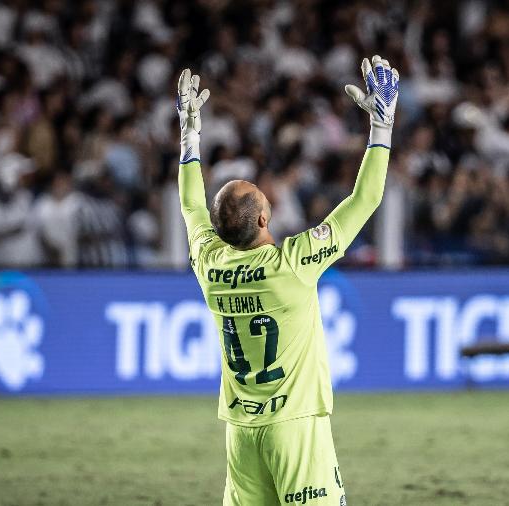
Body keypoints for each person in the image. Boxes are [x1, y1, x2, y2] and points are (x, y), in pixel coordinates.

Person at [175, 55, 398, 505]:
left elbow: (190, 208)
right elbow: (366, 198)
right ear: (263, 216)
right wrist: (382, 127)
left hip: (241, 433)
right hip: (295, 428)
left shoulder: (209, 262)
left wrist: (188, 139)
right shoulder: (293, 264)